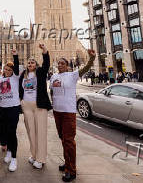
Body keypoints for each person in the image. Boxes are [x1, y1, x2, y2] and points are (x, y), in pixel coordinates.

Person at [49, 49, 96, 182]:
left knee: (69, 141)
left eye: (62, 64)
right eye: (58, 64)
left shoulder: (73, 75)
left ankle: (71, 170)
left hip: (68, 112)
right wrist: (53, 104)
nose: (60, 65)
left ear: (67, 66)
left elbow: (86, 67)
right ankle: (67, 162)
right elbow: (52, 92)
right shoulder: (53, 77)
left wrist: (92, 58)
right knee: (63, 139)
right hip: (57, 112)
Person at [19, 44, 52, 169]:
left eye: (32, 62)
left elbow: (46, 64)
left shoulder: (40, 72)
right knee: (31, 132)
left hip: (39, 106)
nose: (30, 64)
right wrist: (21, 101)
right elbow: (19, 88)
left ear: (36, 64)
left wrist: (45, 51)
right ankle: (33, 155)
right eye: (29, 62)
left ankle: (41, 158)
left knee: (41, 132)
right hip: (26, 106)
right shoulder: (24, 75)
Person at [0, 49, 21, 172]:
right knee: (4, 132)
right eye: (6, 69)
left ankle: (14, 158)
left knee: (12, 132)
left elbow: (16, 66)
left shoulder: (15, 78)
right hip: (3, 109)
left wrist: (15, 55)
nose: (7, 71)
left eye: (10, 70)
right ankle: (9, 152)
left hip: (14, 108)